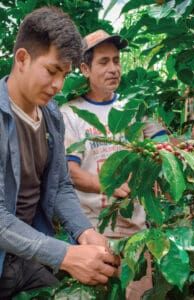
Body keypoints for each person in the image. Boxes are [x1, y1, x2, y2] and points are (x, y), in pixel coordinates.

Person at [0, 8, 119, 299]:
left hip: (30, 255)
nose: (58, 86)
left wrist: (84, 232)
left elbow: (61, 185)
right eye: (52, 71)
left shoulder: (52, 116)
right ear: (23, 59)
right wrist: (66, 255)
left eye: (64, 75)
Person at [61, 30, 168, 299]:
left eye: (117, 61)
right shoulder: (70, 114)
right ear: (85, 68)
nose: (114, 69)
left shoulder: (134, 107)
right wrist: (110, 186)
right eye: (104, 62)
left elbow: (165, 145)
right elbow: (71, 172)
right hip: (94, 234)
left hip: (136, 236)